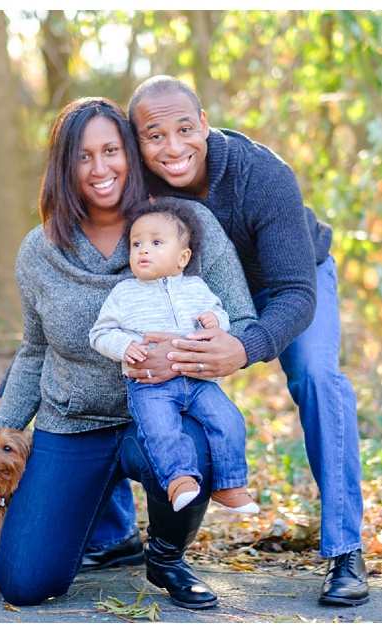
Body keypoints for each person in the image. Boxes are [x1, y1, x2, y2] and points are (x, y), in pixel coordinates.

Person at [0, 97, 257, 610]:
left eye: (111, 150)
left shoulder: (184, 225)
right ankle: (101, 531)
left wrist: (182, 355)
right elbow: (34, 349)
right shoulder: (40, 250)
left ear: (130, 155)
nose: (100, 168)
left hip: (163, 411)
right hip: (72, 423)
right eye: (83, 156)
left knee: (195, 442)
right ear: (63, 168)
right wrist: (1, 430)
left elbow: (240, 322)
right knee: (24, 582)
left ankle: (167, 557)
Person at [127, 74, 369, 606]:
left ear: (205, 124)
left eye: (185, 128)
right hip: (196, 296)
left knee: (317, 376)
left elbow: (295, 294)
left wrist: (245, 345)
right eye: (155, 135)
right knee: (138, 358)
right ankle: (119, 533)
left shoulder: (262, 175)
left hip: (289, 282)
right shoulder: (136, 184)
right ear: (138, 141)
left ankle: (346, 549)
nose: (173, 147)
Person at [89, 197, 259, 515]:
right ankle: (178, 480)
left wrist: (216, 322)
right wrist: (124, 346)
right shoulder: (124, 294)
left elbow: (219, 317)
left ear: (182, 258)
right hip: (149, 385)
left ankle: (231, 484)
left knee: (228, 420)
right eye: (136, 243)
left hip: (198, 381)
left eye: (156, 242)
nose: (143, 250)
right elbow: (100, 333)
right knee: (161, 429)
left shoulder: (196, 288)